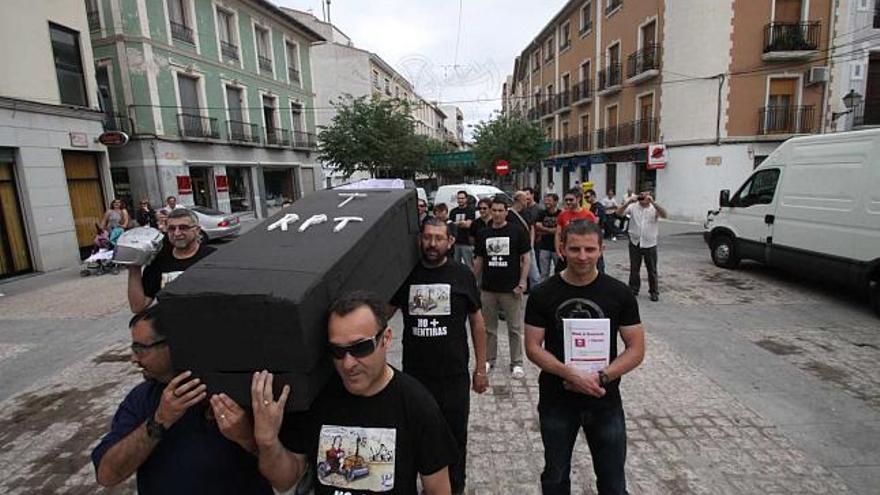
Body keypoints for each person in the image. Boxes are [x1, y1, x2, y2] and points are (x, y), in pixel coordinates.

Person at [250, 291, 458, 495]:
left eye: (360, 348)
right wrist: (267, 442)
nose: (348, 364)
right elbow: (286, 479)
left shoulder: (417, 404)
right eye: (338, 352)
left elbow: (438, 489)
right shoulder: (316, 398)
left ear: (385, 339)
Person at [91, 305, 272, 494]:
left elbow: (287, 475)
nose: (133, 359)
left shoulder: (241, 393)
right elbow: (107, 475)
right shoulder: (142, 398)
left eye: (140, 349)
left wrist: (247, 438)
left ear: (175, 345)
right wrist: (158, 422)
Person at [524, 221, 645, 495]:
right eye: (575, 249)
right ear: (562, 249)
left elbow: (636, 348)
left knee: (613, 481)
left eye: (590, 249)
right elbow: (533, 347)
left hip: (605, 399)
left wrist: (601, 377)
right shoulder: (543, 294)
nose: (582, 256)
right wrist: (571, 374)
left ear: (601, 249)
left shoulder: (619, 293)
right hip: (557, 399)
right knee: (555, 478)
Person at [389, 218, 489, 494]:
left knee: (455, 440)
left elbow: (477, 323)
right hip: (415, 378)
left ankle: (454, 489)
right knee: (414, 439)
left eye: (438, 238)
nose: (432, 244)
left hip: (453, 378)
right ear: (420, 239)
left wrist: (481, 369)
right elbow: (382, 315)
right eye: (427, 238)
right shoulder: (407, 275)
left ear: (450, 242)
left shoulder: (462, 275)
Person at [473, 196, 531, 379]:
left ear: (506, 211)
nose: (497, 214)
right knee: (489, 328)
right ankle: (489, 359)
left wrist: (522, 281)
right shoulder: (483, 233)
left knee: (514, 328)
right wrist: (472, 282)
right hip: (488, 288)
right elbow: (479, 260)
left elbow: (526, 258)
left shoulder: (516, 231)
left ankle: (517, 362)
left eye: (500, 210)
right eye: (494, 210)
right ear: (490, 211)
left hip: (511, 288)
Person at [127, 208, 215, 313]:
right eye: (172, 229)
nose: (177, 233)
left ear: (197, 230)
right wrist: (134, 268)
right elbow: (138, 307)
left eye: (183, 228)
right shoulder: (159, 261)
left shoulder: (214, 257)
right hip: (170, 326)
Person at [616, 191, 667, 302]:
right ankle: (633, 289)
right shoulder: (633, 207)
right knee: (634, 268)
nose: (643, 197)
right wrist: (628, 201)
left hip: (650, 243)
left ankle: (654, 291)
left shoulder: (654, 209)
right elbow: (619, 213)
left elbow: (664, 215)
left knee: (652, 270)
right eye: (641, 195)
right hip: (635, 242)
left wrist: (653, 203)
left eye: (645, 195)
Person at [554, 188, 598, 273]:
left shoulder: (588, 215)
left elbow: (595, 234)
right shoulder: (563, 214)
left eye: (571, 200)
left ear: (578, 199)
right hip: (567, 251)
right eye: (566, 200)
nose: (568, 202)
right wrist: (558, 251)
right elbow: (558, 233)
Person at [512, 190, 540, 289]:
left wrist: (531, 243)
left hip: (527, 248)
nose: (527, 202)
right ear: (519, 200)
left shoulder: (527, 212)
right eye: (525, 200)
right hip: (515, 249)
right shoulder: (509, 214)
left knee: (535, 276)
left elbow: (531, 228)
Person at [534, 193, 560, 281]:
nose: (546, 202)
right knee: (544, 273)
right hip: (544, 246)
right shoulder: (541, 213)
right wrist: (553, 230)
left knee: (559, 271)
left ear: (556, 202)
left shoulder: (560, 213)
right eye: (545, 200)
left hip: (557, 247)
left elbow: (559, 231)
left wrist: (544, 229)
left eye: (549, 200)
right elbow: (537, 227)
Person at [449, 190, 476, 269]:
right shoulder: (453, 211)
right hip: (455, 243)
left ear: (466, 199)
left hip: (467, 243)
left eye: (462, 198)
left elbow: (468, 225)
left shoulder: (470, 210)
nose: (460, 200)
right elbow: (450, 225)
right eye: (458, 198)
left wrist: (456, 223)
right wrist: (462, 223)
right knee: (455, 266)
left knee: (469, 266)